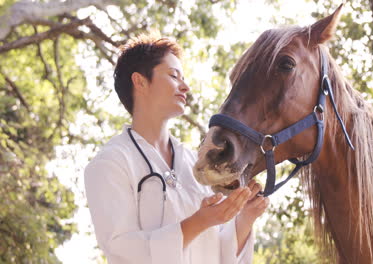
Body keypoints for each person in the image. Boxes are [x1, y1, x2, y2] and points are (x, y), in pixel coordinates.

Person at [84, 32, 269, 264]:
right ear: (140, 81)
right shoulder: (109, 164)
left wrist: (244, 218)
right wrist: (199, 221)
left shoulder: (195, 163)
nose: (186, 87)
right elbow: (123, 250)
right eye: (174, 75)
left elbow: (219, 251)